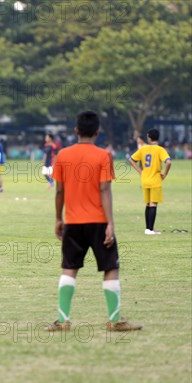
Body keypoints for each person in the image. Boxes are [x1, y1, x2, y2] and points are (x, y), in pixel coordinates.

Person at [47, 110, 142, 332]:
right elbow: (105, 189)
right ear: (98, 132)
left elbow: (59, 191)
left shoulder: (62, 155)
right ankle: (115, 320)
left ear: (76, 131)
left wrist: (58, 219)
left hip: (72, 221)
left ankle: (62, 321)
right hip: (98, 221)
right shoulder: (103, 156)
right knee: (110, 268)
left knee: (69, 268)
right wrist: (111, 223)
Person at [128, 128, 172, 235]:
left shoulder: (143, 149)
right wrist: (165, 173)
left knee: (148, 204)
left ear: (148, 137)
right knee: (153, 204)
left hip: (145, 179)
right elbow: (168, 162)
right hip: (155, 179)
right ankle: (150, 230)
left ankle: (148, 229)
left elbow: (131, 160)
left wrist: (140, 171)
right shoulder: (160, 150)